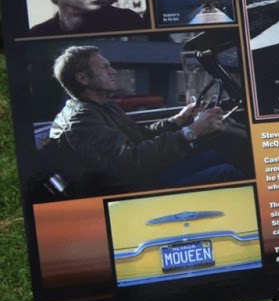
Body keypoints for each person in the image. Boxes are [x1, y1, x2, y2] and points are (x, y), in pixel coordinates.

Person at [43, 45, 241, 195]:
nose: (113, 71)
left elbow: (139, 136)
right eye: (105, 67)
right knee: (227, 171)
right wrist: (192, 131)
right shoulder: (82, 120)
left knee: (220, 153)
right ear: (83, 78)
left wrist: (178, 120)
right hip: (136, 188)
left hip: (143, 176)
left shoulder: (102, 107)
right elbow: (131, 161)